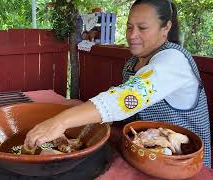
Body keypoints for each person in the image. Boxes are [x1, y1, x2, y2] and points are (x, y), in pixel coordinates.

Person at [24, 0, 211, 167]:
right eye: (129, 27)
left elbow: (128, 97)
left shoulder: (173, 60)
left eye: (142, 28)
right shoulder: (134, 61)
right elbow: (128, 107)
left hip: (184, 165)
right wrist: (81, 109)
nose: (132, 35)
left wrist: (60, 121)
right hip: (143, 155)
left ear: (166, 28)